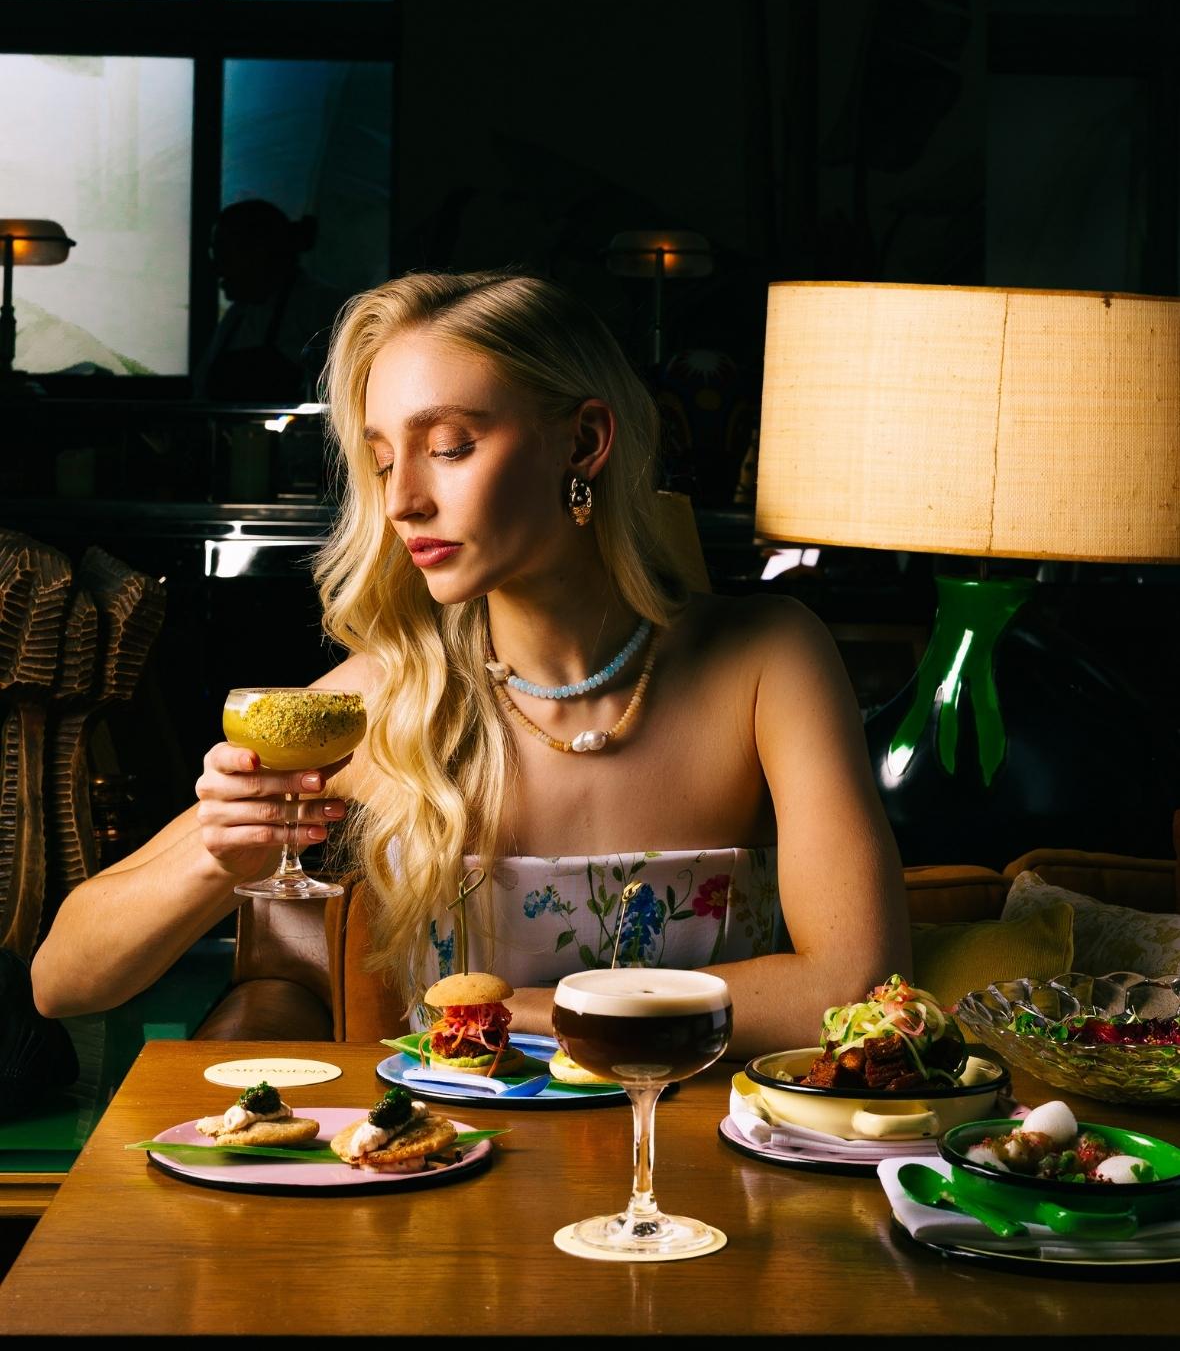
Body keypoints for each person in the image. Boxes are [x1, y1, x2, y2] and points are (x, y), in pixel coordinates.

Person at [32, 269, 910, 1057]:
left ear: (584, 443)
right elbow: (64, 982)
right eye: (381, 460)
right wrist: (218, 859)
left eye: (450, 445)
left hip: (710, 1184)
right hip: (457, 1184)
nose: (404, 499)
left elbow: (854, 987)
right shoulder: (384, 701)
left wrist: (516, 1010)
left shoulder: (768, 658)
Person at [192, 198, 344, 402]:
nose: (216, 267)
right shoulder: (237, 316)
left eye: (225, 253)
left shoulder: (321, 307)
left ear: (260, 252)